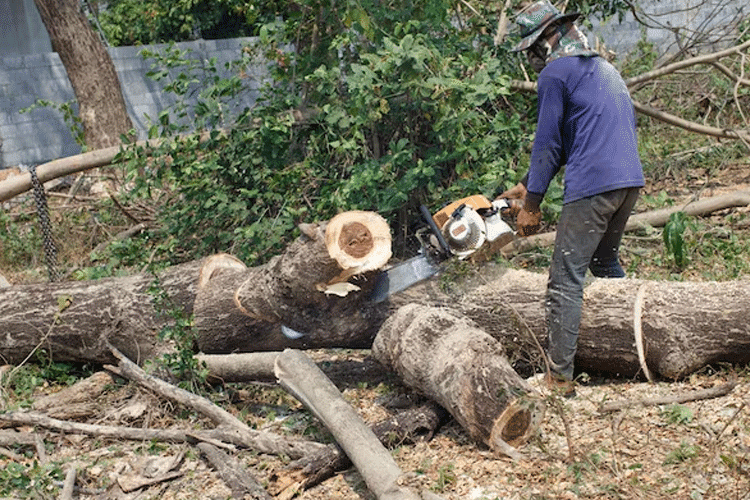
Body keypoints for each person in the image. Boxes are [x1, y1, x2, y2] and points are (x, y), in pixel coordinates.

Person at [500, 0, 645, 396]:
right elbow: (571, 138)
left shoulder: (555, 74)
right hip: (628, 181)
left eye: (531, 49)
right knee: (604, 260)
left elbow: (547, 143)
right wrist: (529, 184)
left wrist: (531, 208)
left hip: (594, 185)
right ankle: (643, 343)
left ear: (544, 41)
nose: (530, 57)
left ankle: (559, 378)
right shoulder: (604, 70)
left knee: (564, 282)